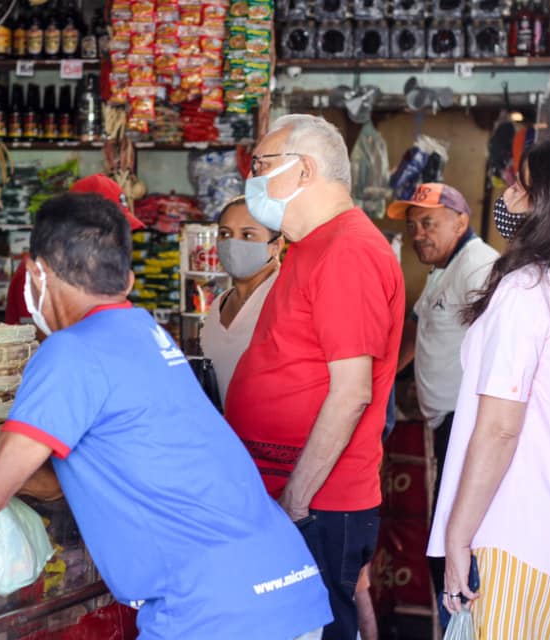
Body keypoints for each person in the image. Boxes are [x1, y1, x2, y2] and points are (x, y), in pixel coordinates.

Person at [0, 192, 332, 640]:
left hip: (217, 614)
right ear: (126, 281)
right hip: (285, 590)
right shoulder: (143, 331)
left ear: (35, 273)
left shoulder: (72, 351)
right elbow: (57, 478)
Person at [428, 142, 550, 638]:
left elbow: (499, 430)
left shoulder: (529, 290)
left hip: (527, 539)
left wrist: (457, 535)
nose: (508, 195)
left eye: (520, 186)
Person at [223, 114, 405, 640]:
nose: (250, 179)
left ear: (303, 171)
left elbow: (351, 393)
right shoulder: (312, 245)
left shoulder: (348, 250)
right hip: (289, 495)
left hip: (317, 502)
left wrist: (297, 499)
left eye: (260, 166)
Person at [388, 183, 499, 600]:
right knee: (445, 535)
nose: (419, 233)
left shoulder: (478, 265)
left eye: (429, 222)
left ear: (461, 222)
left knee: (453, 539)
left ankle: (465, 615)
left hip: (468, 427)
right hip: (445, 423)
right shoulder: (441, 272)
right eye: (414, 225)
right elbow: (416, 336)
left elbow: (497, 338)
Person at [4, 173, 144, 325]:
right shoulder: (39, 276)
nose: (119, 241)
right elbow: (37, 337)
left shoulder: (103, 274)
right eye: (107, 233)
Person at [200, 195, 284, 407]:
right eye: (225, 234)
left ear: (276, 245)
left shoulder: (285, 299)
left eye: (247, 235)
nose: (233, 244)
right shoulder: (219, 304)